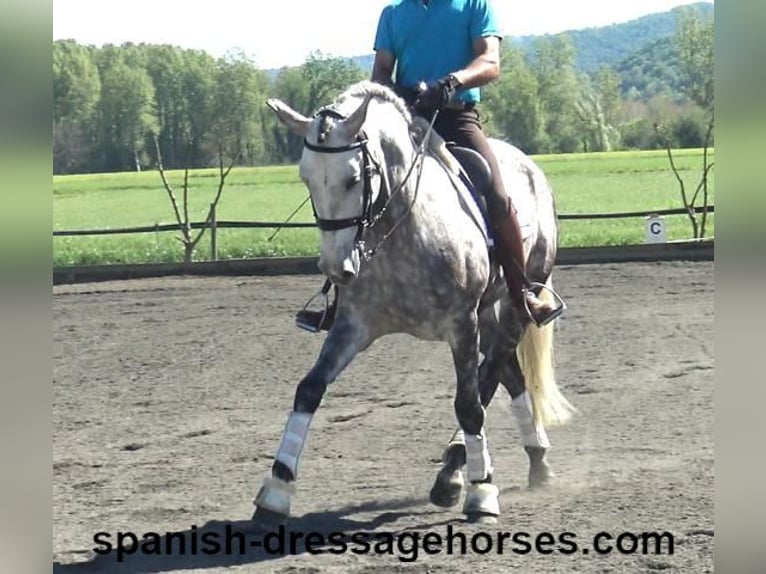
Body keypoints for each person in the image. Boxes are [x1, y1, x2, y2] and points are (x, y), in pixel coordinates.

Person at [296, 0, 562, 332]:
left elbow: (490, 62)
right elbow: (381, 72)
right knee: (362, 190)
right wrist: (397, 97)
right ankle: (341, 299)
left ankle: (522, 292)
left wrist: (450, 83)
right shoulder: (393, 14)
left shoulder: (474, 6)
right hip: (406, 121)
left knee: (493, 189)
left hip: (456, 117)